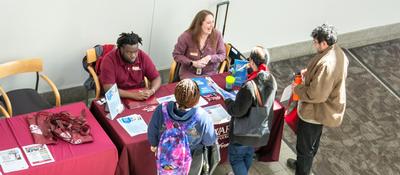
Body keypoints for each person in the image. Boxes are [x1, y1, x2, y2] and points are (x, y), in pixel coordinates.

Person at [286, 23, 349, 175]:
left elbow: (316, 94)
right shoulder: (337, 52)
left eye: (315, 42)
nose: (313, 45)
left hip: (315, 112)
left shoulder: (327, 64)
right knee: (312, 142)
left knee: (305, 147)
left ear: (324, 43)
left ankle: (303, 170)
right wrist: (309, 73)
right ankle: (302, 164)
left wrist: (297, 88)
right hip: (322, 111)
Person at [224, 46, 277, 175]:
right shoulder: (272, 80)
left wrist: (228, 101)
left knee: (236, 160)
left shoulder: (249, 86)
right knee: (248, 154)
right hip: (259, 130)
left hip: (244, 132)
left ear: (252, 62)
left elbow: (237, 111)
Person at [147, 79, 217, 174]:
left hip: (166, 156)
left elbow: (152, 131)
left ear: (176, 94)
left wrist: (154, 144)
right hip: (192, 159)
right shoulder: (202, 116)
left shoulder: (161, 109)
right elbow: (209, 141)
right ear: (196, 99)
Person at [99, 31, 161, 100]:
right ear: (121, 49)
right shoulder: (109, 60)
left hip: (139, 94)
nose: (133, 56)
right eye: (129, 52)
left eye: (136, 51)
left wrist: (151, 91)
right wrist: (133, 95)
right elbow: (109, 89)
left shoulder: (142, 56)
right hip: (117, 97)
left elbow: (156, 78)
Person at [173, 10, 226, 79]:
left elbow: (222, 55)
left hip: (210, 73)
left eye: (213, 22)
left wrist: (210, 57)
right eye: (208, 23)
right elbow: (177, 55)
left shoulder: (217, 34)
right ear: (199, 24)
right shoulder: (186, 36)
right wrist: (192, 63)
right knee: (192, 89)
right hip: (189, 73)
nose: (212, 26)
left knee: (209, 89)